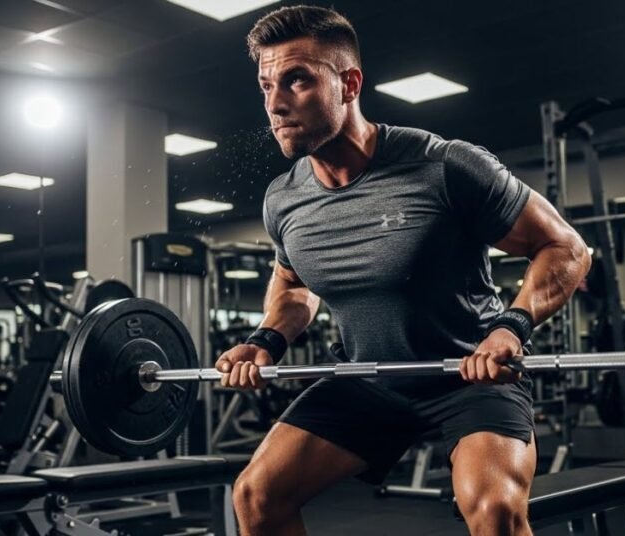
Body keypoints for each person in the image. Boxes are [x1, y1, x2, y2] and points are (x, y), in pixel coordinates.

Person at [215, 5, 591, 536]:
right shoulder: (283, 198)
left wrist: (513, 326)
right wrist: (265, 339)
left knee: (494, 511)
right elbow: (294, 284)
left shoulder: (445, 166)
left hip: (467, 376)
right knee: (256, 496)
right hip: (368, 380)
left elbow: (566, 248)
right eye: (266, 84)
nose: (275, 103)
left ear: (349, 83)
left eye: (297, 80)